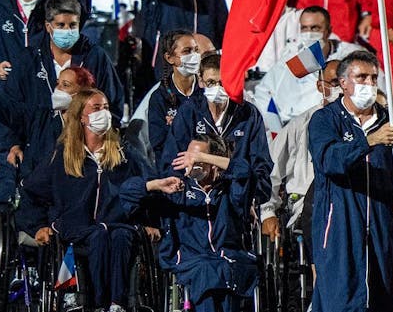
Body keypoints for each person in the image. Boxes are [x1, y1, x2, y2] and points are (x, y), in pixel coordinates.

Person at [18, 87, 157, 312]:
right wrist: (38, 226)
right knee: (99, 234)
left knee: (122, 235)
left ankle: (117, 304)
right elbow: (31, 192)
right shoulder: (63, 155)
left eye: (106, 108)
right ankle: (99, 304)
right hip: (75, 225)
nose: (103, 113)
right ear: (82, 117)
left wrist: (151, 221)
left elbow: (150, 186)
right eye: (96, 108)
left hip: (117, 223)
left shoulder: (123, 153)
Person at [308, 50, 393, 312]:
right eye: (361, 77)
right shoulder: (325, 120)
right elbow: (329, 161)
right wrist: (369, 141)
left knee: (383, 302)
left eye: (373, 78)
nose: (369, 84)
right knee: (341, 303)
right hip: (339, 233)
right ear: (344, 83)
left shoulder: (390, 123)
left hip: (384, 234)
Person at [124, 135, 260, 312]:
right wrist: (156, 185)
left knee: (227, 270)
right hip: (191, 260)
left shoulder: (229, 188)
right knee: (207, 270)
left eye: (196, 158)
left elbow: (245, 171)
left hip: (230, 257)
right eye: (188, 157)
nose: (192, 162)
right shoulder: (177, 188)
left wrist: (203, 158)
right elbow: (127, 193)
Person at [160, 53, 272, 205]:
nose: (218, 88)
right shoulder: (188, 112)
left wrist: (251, 197)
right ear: (200, 80)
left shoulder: (248, 114)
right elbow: (173, 161)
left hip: (236, 202)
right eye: (211, 82)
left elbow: (260, 165)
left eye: (223, 82)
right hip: (196, 203)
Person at [260, 59, 341, 243]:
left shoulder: (360, 124)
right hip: (307, 204)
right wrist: (268, 212)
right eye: (335, 82)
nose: (341, 88)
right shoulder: (300, 124)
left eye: (344, 81)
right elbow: (271, 169)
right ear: (321, 86)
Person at [253, 5, 362, 126]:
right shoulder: (292, 57)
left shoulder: (350, 56)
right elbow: (264, 91)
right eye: (305, 28)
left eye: (315, 28)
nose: (309, 34)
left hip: (336, 124)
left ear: (328, 31)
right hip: (296, 124)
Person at [137, 29, 204, 165]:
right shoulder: (159, 97)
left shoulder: (206, 91)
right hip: (174, 169)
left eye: (196, 50)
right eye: (187, 51)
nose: (195, 56)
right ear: (169, 58)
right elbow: (158, 144)